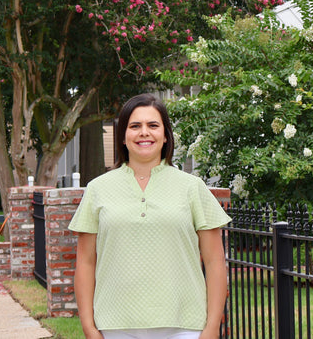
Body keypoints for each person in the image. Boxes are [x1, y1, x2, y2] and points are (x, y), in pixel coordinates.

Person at [69, 93, 231, 339]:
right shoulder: (97, 189)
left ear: (165, 135)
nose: (144, 132)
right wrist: (89, 328)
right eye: (135, 126)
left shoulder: (192, 187)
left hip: (184, 327)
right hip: (115, 326)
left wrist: (211, 329)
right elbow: (85, 262)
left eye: (153, 125)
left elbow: (215, 262)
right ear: (123, 136)